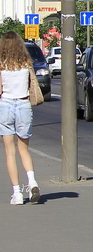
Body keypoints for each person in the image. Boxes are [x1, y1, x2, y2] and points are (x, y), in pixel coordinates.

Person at [0, 31, 39, 205]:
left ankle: (17, 193)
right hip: (23, 105)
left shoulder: (2, 65)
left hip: (6, 105)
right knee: (24, 149)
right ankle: (32, 182)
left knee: (10, 151)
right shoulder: (26, 64)